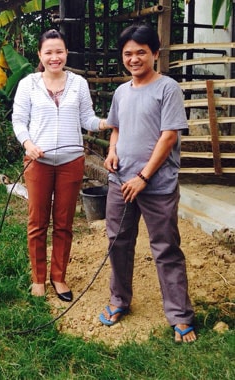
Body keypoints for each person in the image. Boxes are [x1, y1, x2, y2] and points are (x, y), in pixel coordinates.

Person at [99, 23, 197, 343]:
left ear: (155, 53)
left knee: (165, 248)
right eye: (128, 53)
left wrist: (143, 177)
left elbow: (169, 136)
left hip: (156, 186)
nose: (134, 58)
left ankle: (180, 316)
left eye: (141, 52)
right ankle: (119, 301)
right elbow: (116, 128)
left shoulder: (167, 88)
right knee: (118, 243)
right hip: (120, 182)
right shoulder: (121, 92)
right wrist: (112, 152)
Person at [12, 29, 108, 300]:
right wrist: (28, 144)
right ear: (40, 55)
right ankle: (38, 278)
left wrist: (104, 123)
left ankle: (59, 277)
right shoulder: (28, 84)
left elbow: (87, 119)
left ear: (66, 53)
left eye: (59, 51)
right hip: (38, 162)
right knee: (37, 222)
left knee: (64, 223)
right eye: (49, 52)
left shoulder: (78, 83)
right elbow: (19, 121)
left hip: (71, 162)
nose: (55, 57)